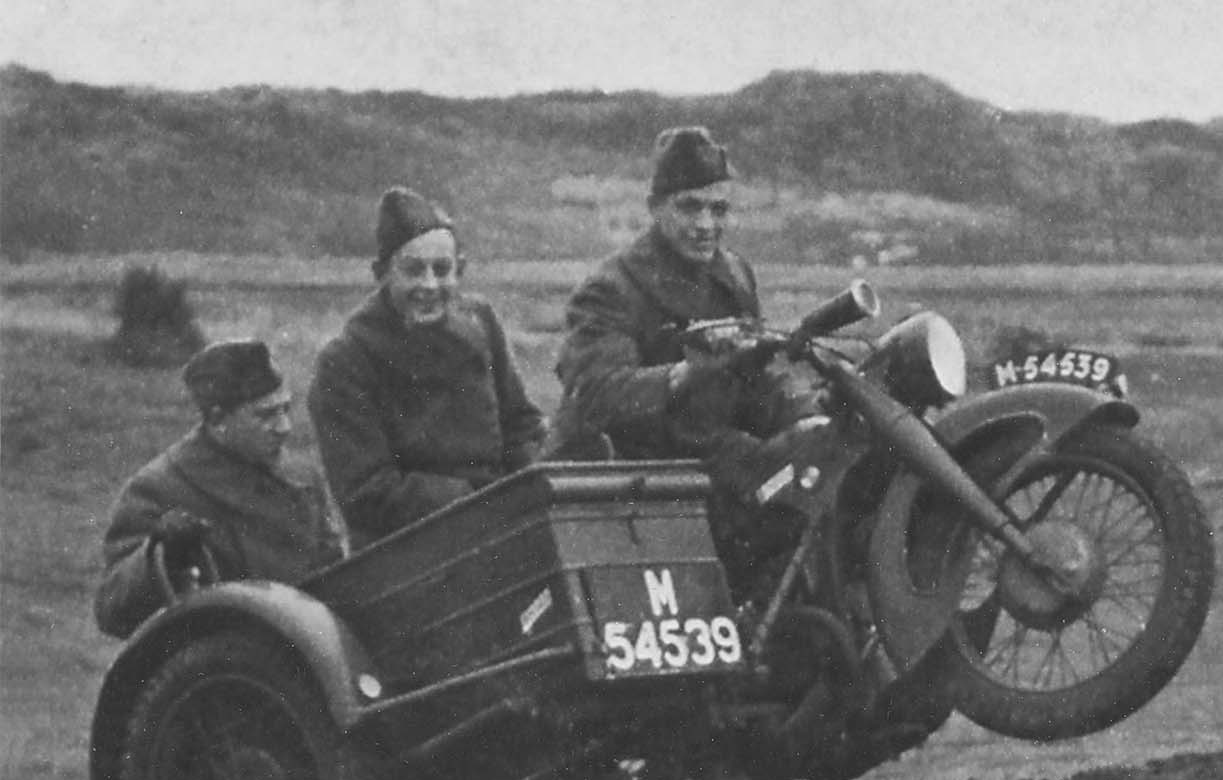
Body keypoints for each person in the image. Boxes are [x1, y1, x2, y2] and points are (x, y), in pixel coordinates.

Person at [546, 126, 824, 594]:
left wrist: (810, 413)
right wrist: (683, 374)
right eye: (690, 207)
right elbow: (597, 395)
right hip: (640, 474)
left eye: (719, 209)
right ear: (656, 208)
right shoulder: (612, 288)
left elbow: (758, 377)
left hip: (709, 453)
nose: (706, 225)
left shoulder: (733, 274)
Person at [307, 186, 546, 550]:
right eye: (414, 271)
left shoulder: (480, 323)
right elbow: (366, 492)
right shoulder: (346, 362)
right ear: (383, 274)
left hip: (502, 526)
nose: (430, 285)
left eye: (442, 270)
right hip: (409, 548)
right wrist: (479, 500)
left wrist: (527, 486)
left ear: (460, 271)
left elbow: (520, 425)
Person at [94, 340, 346, 638]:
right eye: (265, 415)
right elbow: (111, 611)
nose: (284, 427)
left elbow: (336, 578)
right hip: (218, 657)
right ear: (217, 419)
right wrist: (161, 555)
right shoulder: (159, 488)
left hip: (302, 647)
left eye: (285, 409)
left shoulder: (302, 478)